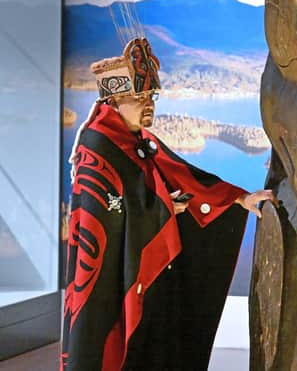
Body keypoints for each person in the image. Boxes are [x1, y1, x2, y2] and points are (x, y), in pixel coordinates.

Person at [61, 37, 275, 370]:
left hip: (148, 276)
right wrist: (159, 209)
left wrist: (239, 198)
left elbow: (182, 176)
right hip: (110, 288)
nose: (148, 105)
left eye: (151, 97)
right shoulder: (96, 147)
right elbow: (101, 217)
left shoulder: (137, 140)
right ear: (114, 100)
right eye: (138, 97)